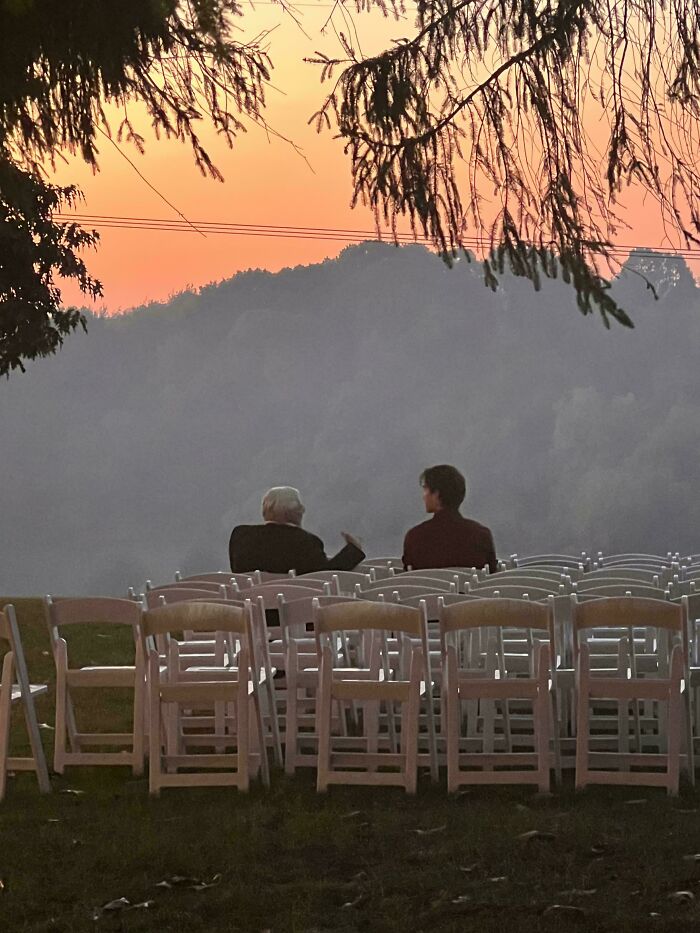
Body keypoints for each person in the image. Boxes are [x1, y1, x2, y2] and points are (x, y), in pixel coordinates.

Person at [229, 486, 365, 575]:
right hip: (296, 616)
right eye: (300, 507)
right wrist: (353, 550)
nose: (303, 510)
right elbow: (324, 577)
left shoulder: (240, 536)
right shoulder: (305, 542)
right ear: (294, 512)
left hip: (250, 612)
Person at [402, 465, 497, 573]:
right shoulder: (481, 536)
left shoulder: (415, 538)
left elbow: (409, 580)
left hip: (430, 590)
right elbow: (492, 576)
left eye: (425, 489)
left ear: (436, 494)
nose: (423, 496)